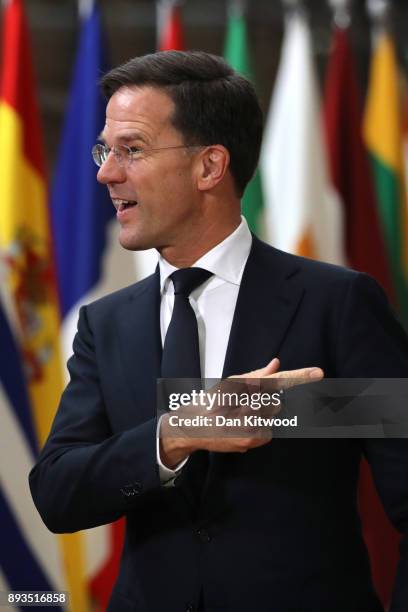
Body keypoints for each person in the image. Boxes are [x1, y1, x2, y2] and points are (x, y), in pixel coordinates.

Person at [30, 50, 408, 612]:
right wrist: (174, 434)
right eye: (104, 150)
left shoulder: (336, 303)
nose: (106, 172)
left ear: (209, 166)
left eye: (131, 149)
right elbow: (59, 494)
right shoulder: (106, 323)